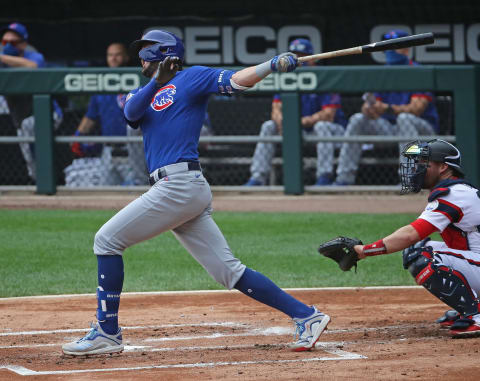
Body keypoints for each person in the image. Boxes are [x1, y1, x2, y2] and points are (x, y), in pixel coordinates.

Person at [62, 30, 330, 356]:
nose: (141, 58)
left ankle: (107, 331)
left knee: (106, 240)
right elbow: (131, 114)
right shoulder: (141, 92)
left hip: (180, 184)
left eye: (147, 51)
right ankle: (307, 316)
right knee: (228, 271)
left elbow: (236, 81)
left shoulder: (193, 77)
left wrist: (269, 65)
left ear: (165, 53)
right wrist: (156, 82)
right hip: (177, 189)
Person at [352, 139, 480, 337]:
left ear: (443, 167)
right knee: (420, 248)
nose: (417, 169)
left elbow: (411, 234)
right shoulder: (457, 191)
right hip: (476, 262)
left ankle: (475, 315)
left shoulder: (454, 194)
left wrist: (365, 250)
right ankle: (470, 306)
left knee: (421, 254)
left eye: (424, 163)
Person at [326, 30, 439, 186]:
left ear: (407, 48)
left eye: (395, 46)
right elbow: (371, 105)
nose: (390, 50)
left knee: (404, 119)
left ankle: (409, 178)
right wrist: (369, 109)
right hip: (390, 129)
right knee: (358, 119)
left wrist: (386, 108)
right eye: (388, 46)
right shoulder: (383, 73)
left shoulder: (418, 71)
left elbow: (417, 109)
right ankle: (344, 178)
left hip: (423, 132)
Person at [243, 38, 346, 186]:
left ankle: (324, 176)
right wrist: (283, 122)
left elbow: (329, 115)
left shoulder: (325, 77)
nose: (299, 60)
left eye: (302, 55)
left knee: (321, 126)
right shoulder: (287, 77)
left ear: (312, 58)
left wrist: (298, 123)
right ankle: (258, 177)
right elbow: (276, 110)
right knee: (268, 126)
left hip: (333, 132)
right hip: (298, 129)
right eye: (295, 55)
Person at [64, 43, 147, 187]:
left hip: (132, 148)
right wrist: (78, 136)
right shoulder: (101, 84)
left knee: (137, 189)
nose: (113, 58)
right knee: (106, 190)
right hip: (108, 150)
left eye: (117, 55)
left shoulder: (137, 81)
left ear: (126, 57)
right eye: (110, 55)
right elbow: (91, 116)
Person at [0, 22, 62, 182]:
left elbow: (34, 66)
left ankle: (46, 180)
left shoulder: (33, 56)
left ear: (23, 43)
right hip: (20, 118)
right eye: (4, 42)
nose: (7, 46)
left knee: (29, 128)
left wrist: (3, 57)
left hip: (49, 114)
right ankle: (37, 181)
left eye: (12, 42)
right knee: (28, 155)